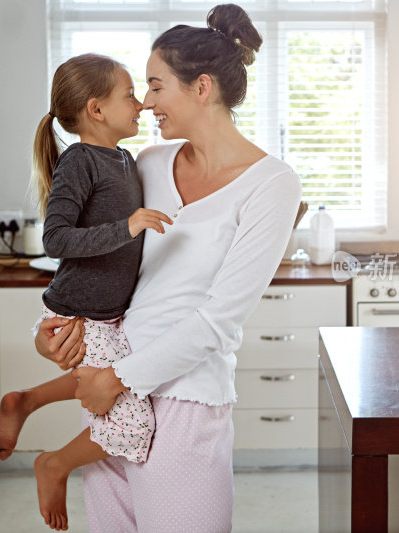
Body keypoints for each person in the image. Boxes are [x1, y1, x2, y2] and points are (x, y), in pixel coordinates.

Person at [34, 4, 303, 532]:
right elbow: (99, 259)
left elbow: (219, 320)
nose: (146, 103)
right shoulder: (148, 163)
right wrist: (60, 334)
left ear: (201, 87)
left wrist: (119, 378)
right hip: (110, 395)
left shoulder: (272, 184)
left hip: (182, 397)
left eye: (156, 87)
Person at [0, 53, 173, 532]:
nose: (140, 104)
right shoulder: (79, 160)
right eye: (129, 94)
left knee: (100, 385)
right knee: (133, 425)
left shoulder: (123, 157)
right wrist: (127, 227)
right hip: (80, 312)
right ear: (96, 110)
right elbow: (56, 239)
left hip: (105, 313)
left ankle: (24, 400)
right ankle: (54, 464)